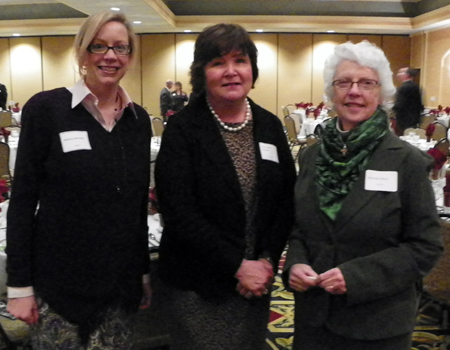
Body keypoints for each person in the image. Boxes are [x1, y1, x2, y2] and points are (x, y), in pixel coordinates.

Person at [283, 41, 443, 350]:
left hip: (376, 325)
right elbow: (299, 227)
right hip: (313, 319)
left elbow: (426, 246)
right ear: (332, 93)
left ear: (381, 94)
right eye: (344, 82)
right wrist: (296, 263)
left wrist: (357, 277)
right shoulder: (311, 157)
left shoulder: (406, 161)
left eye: (366, 83)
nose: (354, 91)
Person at [6, 11, 152, 350]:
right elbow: (23, 201)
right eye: (98, 46)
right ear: (82, 53)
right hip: (60, 287)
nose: (110, 56)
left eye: (121, 48)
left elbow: (136, 205)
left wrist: (142, 272)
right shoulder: (47, 109)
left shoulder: (137, 120)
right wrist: (19, 286)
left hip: (119, 287)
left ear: (130, 56)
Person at [155, 23, 296, 350]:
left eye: (240, 61)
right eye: (218, 63)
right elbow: (179, 213)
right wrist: (237, 266)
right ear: (202, 72)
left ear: (252, 69)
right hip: (198, 283)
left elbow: (286, 200)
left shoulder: (269, 125)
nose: (231, 71)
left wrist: (265, 261)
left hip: (255, 284)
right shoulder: (183, 130)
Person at [392, 67, 424, 136]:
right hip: (414, 118)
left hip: (404, 120)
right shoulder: (416, 86)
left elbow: (399, 105)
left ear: (407, 75)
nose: (398, 75)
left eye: (400, 73)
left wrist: (392, 110)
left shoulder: (404, 87)